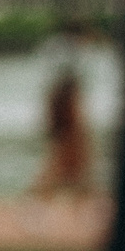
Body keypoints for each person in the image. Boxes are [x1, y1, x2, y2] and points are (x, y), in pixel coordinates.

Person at [24, 14, 99, 220]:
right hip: (66, 108)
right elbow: (67, 85)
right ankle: (40, 205)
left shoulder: (55, 47)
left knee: (77, 159)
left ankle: (82, 205)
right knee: (64, 158)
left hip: (62, 106)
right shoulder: (71, 51)